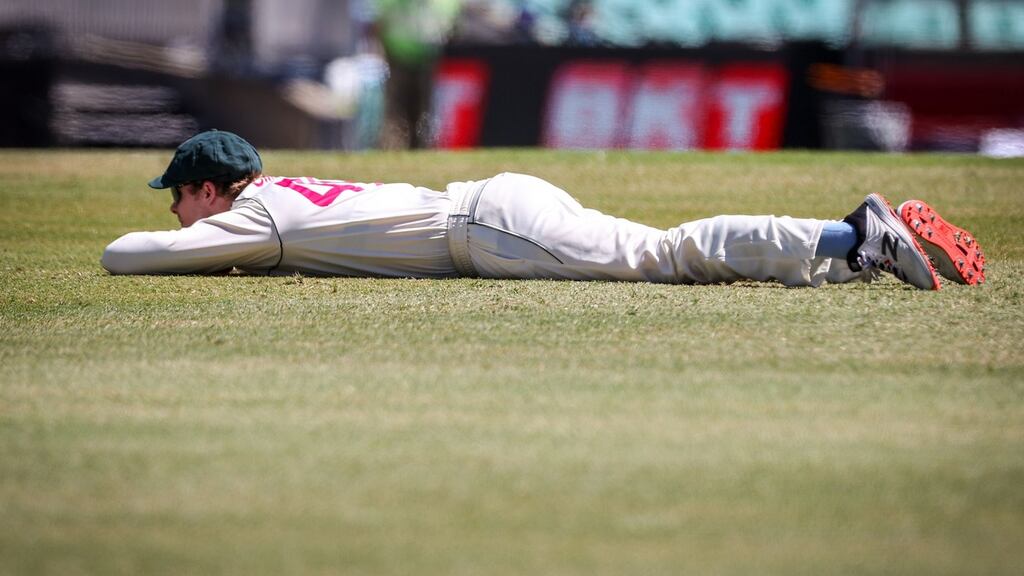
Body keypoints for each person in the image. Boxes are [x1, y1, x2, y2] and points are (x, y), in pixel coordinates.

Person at [102, 130, 987, 289]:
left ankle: (851, 234)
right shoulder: (282, 192)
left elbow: (125, 255)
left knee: (666, 254)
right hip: (496, 207)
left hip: (488, 229)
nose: (178, 213)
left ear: (211, 189)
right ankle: (856, 253)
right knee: (661, 248)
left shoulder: (255, 219)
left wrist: (201, 241)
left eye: (180, 196)